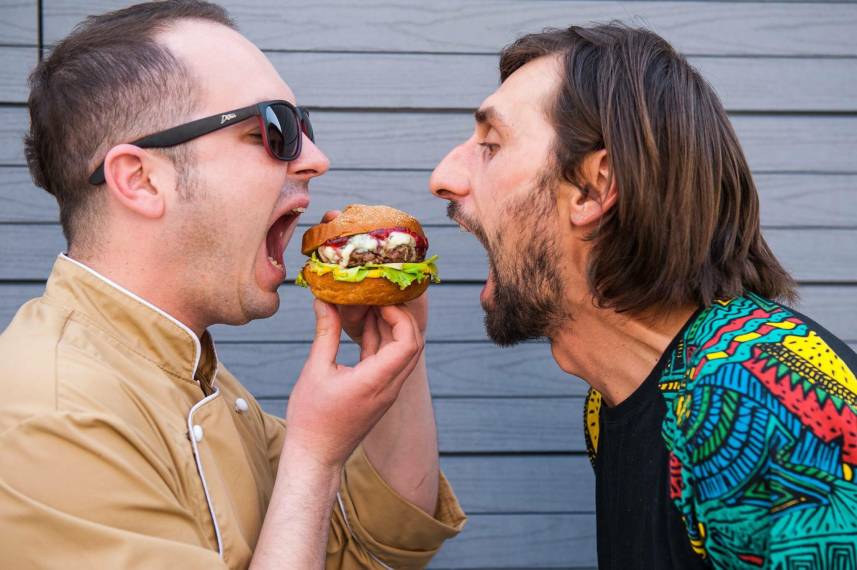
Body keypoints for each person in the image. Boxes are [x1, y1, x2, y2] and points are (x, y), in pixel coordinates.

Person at [0, 1, 465, 568]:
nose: (316, 159)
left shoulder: (200, 379)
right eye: (274, 129)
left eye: (304, 127)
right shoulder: (51, 419)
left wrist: (395, 350)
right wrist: (314, 457)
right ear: (141, 180)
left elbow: (383, 544)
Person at [429, 23, 857, 569]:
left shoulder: (756, 399)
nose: (443, 177)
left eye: (491, 145)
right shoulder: (614, 397)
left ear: (595, 187)